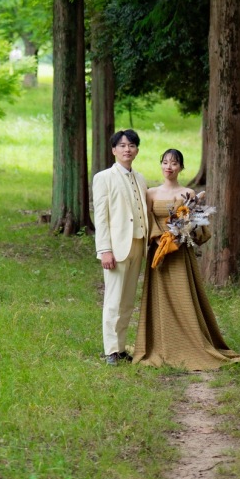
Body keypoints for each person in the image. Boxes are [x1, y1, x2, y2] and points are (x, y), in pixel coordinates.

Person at [133, 148, 240, 370]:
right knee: (159, 297)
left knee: (182, 294)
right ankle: (159, 343)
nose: (169, 167)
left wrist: (181, 233)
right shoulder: (151, 193)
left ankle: (189, 341)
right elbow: (146, 221)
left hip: (179, 253)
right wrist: (159, 238)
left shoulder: (189, 194)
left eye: (174, 163)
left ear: (181, 167)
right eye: (165, 162)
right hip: (158, 252)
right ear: (161, 165)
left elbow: (198, 226)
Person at [92, 128, 149, 365]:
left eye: (132, 145)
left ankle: (121, 346)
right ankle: (110, 350)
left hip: (138, 244)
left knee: (127, 300)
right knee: (113, 299)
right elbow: (101, 216)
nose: (128, 149)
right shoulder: (103, 177)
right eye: (123, 145)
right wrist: (104, 249)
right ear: (114, 150)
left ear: (136, 150)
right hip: (116, 247)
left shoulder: (141, 178)